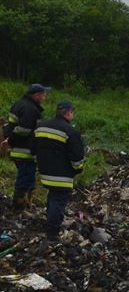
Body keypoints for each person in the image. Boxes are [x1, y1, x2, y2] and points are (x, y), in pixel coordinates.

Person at [33, 100, 85, 240]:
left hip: (45, 171)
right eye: (72, 112)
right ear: (68, 112)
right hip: (62, 175)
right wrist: (78, 169)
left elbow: (34, 147)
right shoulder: (70, 131)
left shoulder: (41, 126)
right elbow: (77, 156)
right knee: (58, 200)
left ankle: (50, 224)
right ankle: (52, 233)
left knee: (52, 196)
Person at [4, 83, 52, 210]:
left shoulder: (19, 104)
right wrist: (10, 140)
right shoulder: (31, 109)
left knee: (28, 179)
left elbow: (11, 126)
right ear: (36, 95)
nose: (45, 97)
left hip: (18, 150)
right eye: (43, 94)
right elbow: (24, 130)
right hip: (25, 151)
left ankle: (26, 204)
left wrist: (9, 140)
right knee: (26, 179)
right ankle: (18, 206)